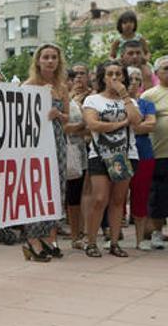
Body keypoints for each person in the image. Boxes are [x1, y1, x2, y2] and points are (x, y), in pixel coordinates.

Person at [82, 61, 142, 257]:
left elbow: (137, 122)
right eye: (110, 74)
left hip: (124, 154)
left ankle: (114, 242)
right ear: (103, 77)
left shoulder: (129, 102)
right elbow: (93, 124)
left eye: (118, 73)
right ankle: (91, 241)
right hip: (100, 153)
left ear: (123, 77)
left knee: (118, 200)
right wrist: (121, 123)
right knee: (99, 198)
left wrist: (124, 95)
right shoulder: (93, 100)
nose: (114, 77)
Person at [21, 44, 69, 262]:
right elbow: (20, 119)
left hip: (58, 140)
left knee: (56, 189)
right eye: (46, 57)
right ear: (38, 61)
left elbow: (68, 117)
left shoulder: (62, 86)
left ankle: (48, 236)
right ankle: (32, 239)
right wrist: (43, 116)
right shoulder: (29, 85)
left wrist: (58, 114)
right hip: (36, 143)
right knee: (36, 188)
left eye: (54, 57)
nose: (50, 61)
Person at [127, 67, 157, 249]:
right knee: (117, 195)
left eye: (138, 78)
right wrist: (139, 124)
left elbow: (150, 124)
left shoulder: (146, 103)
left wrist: (132, 124)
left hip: (144, 152)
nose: (134, 82)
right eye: (130, 78)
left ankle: (140, 239)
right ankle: (111, 236)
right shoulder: (112, 102)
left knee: (141, 194)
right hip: (119, 152)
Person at [142, 56, 168, 249]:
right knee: (158, 195)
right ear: (157, 73)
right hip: (158, 154)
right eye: (166, 69)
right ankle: (157, 233)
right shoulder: (149, 95)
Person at [65, 70, 89, 250]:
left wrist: (78, 128)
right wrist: (79, 127)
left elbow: (87, 129)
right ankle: (74, 235)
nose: (69, 82)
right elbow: (62, 128)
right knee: (70, 197)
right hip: (63, 152)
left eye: (70, 80)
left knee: (79, 195)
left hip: (79, 152)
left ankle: (80, 233)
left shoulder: (76, 103)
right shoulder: (56, 101)